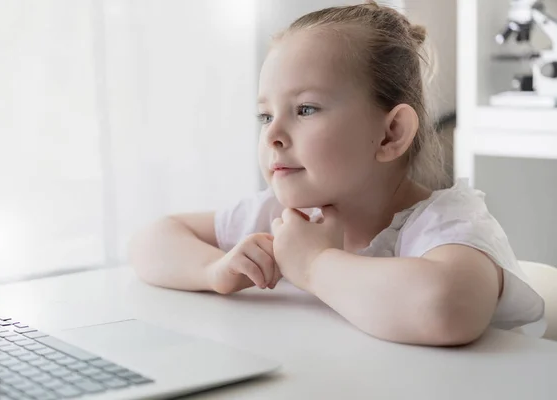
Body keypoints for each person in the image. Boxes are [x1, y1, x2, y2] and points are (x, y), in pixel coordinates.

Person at [130, 1, 545, 346]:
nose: (272, 134)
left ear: (391, 133)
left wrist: (312, 264)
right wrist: (213, 271)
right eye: (265, 115)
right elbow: (152, 240)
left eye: (305, 109)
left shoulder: (445, 224)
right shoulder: (280, 216)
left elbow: (446, 308)